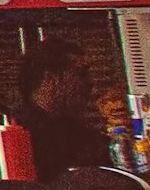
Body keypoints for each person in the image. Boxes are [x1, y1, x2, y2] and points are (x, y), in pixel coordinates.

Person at [13, 48, 115, 178]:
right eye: (81, 73)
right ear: (50, 79)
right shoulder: (19, 138)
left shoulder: (76, 129)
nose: (90, 83)